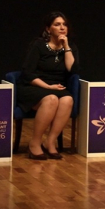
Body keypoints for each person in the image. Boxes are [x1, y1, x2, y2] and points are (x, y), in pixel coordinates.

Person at [17, 11, 78, 160]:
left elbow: (72, 69)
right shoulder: (38, 45)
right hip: (34, 86)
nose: (62, 28)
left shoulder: (70, 47)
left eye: (64, 25)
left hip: (57, 86)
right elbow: (28, 73)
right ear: (48, 29)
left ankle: (50, 142)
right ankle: (35, 143)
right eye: (57, 24)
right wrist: (48, 87)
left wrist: (66, 46)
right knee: (51, 99)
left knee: (67, 100)